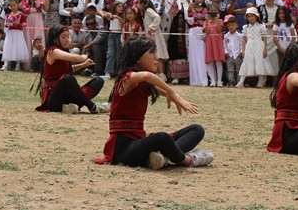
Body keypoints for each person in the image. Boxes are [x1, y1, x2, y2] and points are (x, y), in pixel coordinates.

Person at [91, 36, 213, 169]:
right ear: (138, 58)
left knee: (197, 129)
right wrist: (171, 91)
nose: (157, 57)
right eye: (152, 52)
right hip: (124, 151)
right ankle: (188, 160)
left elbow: (155, 86)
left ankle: (163, 158)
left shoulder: (143, 84)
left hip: (139, 144)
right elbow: (146, 76)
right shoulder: (127, 79)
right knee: (162, 138)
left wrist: (175, 96)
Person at [33, 26, 106, 114]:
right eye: (63, 37)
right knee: (67, 78)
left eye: (68, 36)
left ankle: (70, 107)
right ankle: (92, 106)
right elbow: (74, 58)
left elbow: (67, 70)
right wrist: (84, 56)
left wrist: (83, 65)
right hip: (53, 99)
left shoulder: (63, 50)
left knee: (98, 81)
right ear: (55, 39)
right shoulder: (52, 51)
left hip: (67, 96)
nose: (67, 39)